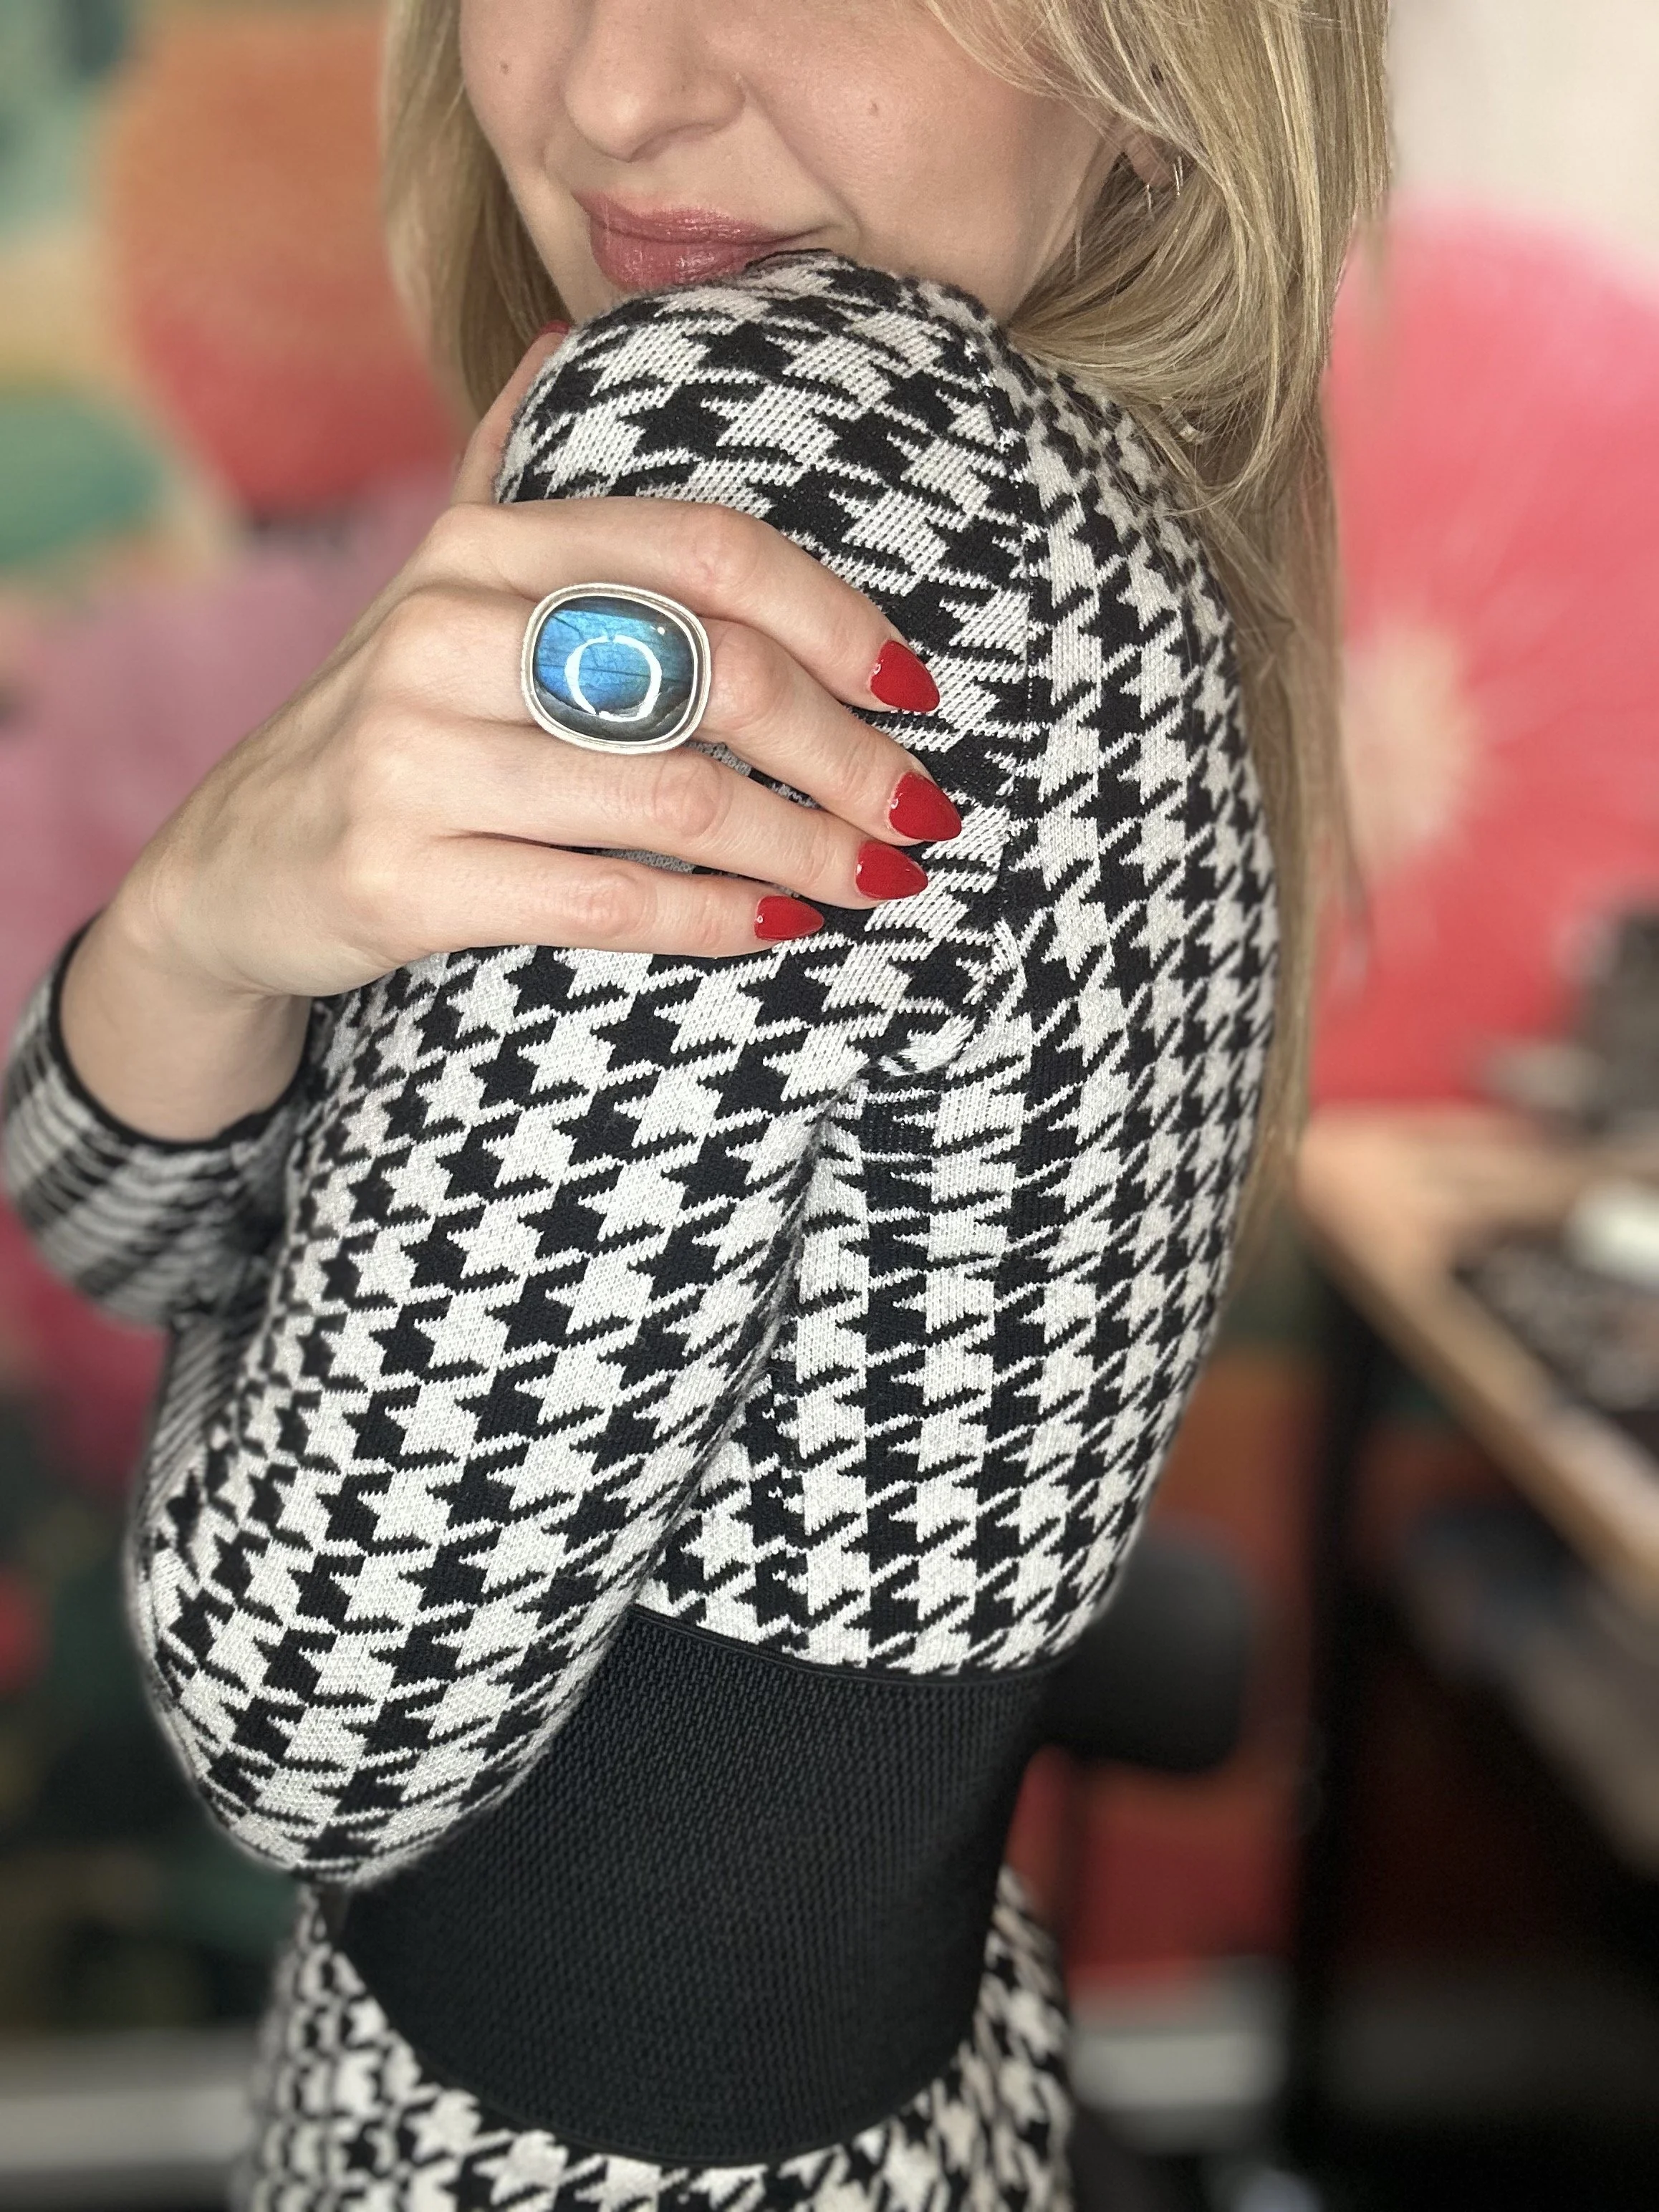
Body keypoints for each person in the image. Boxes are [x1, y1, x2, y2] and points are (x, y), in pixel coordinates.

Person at [1, 0, 1388, 2202]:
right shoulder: (1018, 477)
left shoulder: (802, 444)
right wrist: (192, 924)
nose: (616, 89)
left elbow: (301, 1720)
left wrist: (262, 1223)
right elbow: (117, 1214)